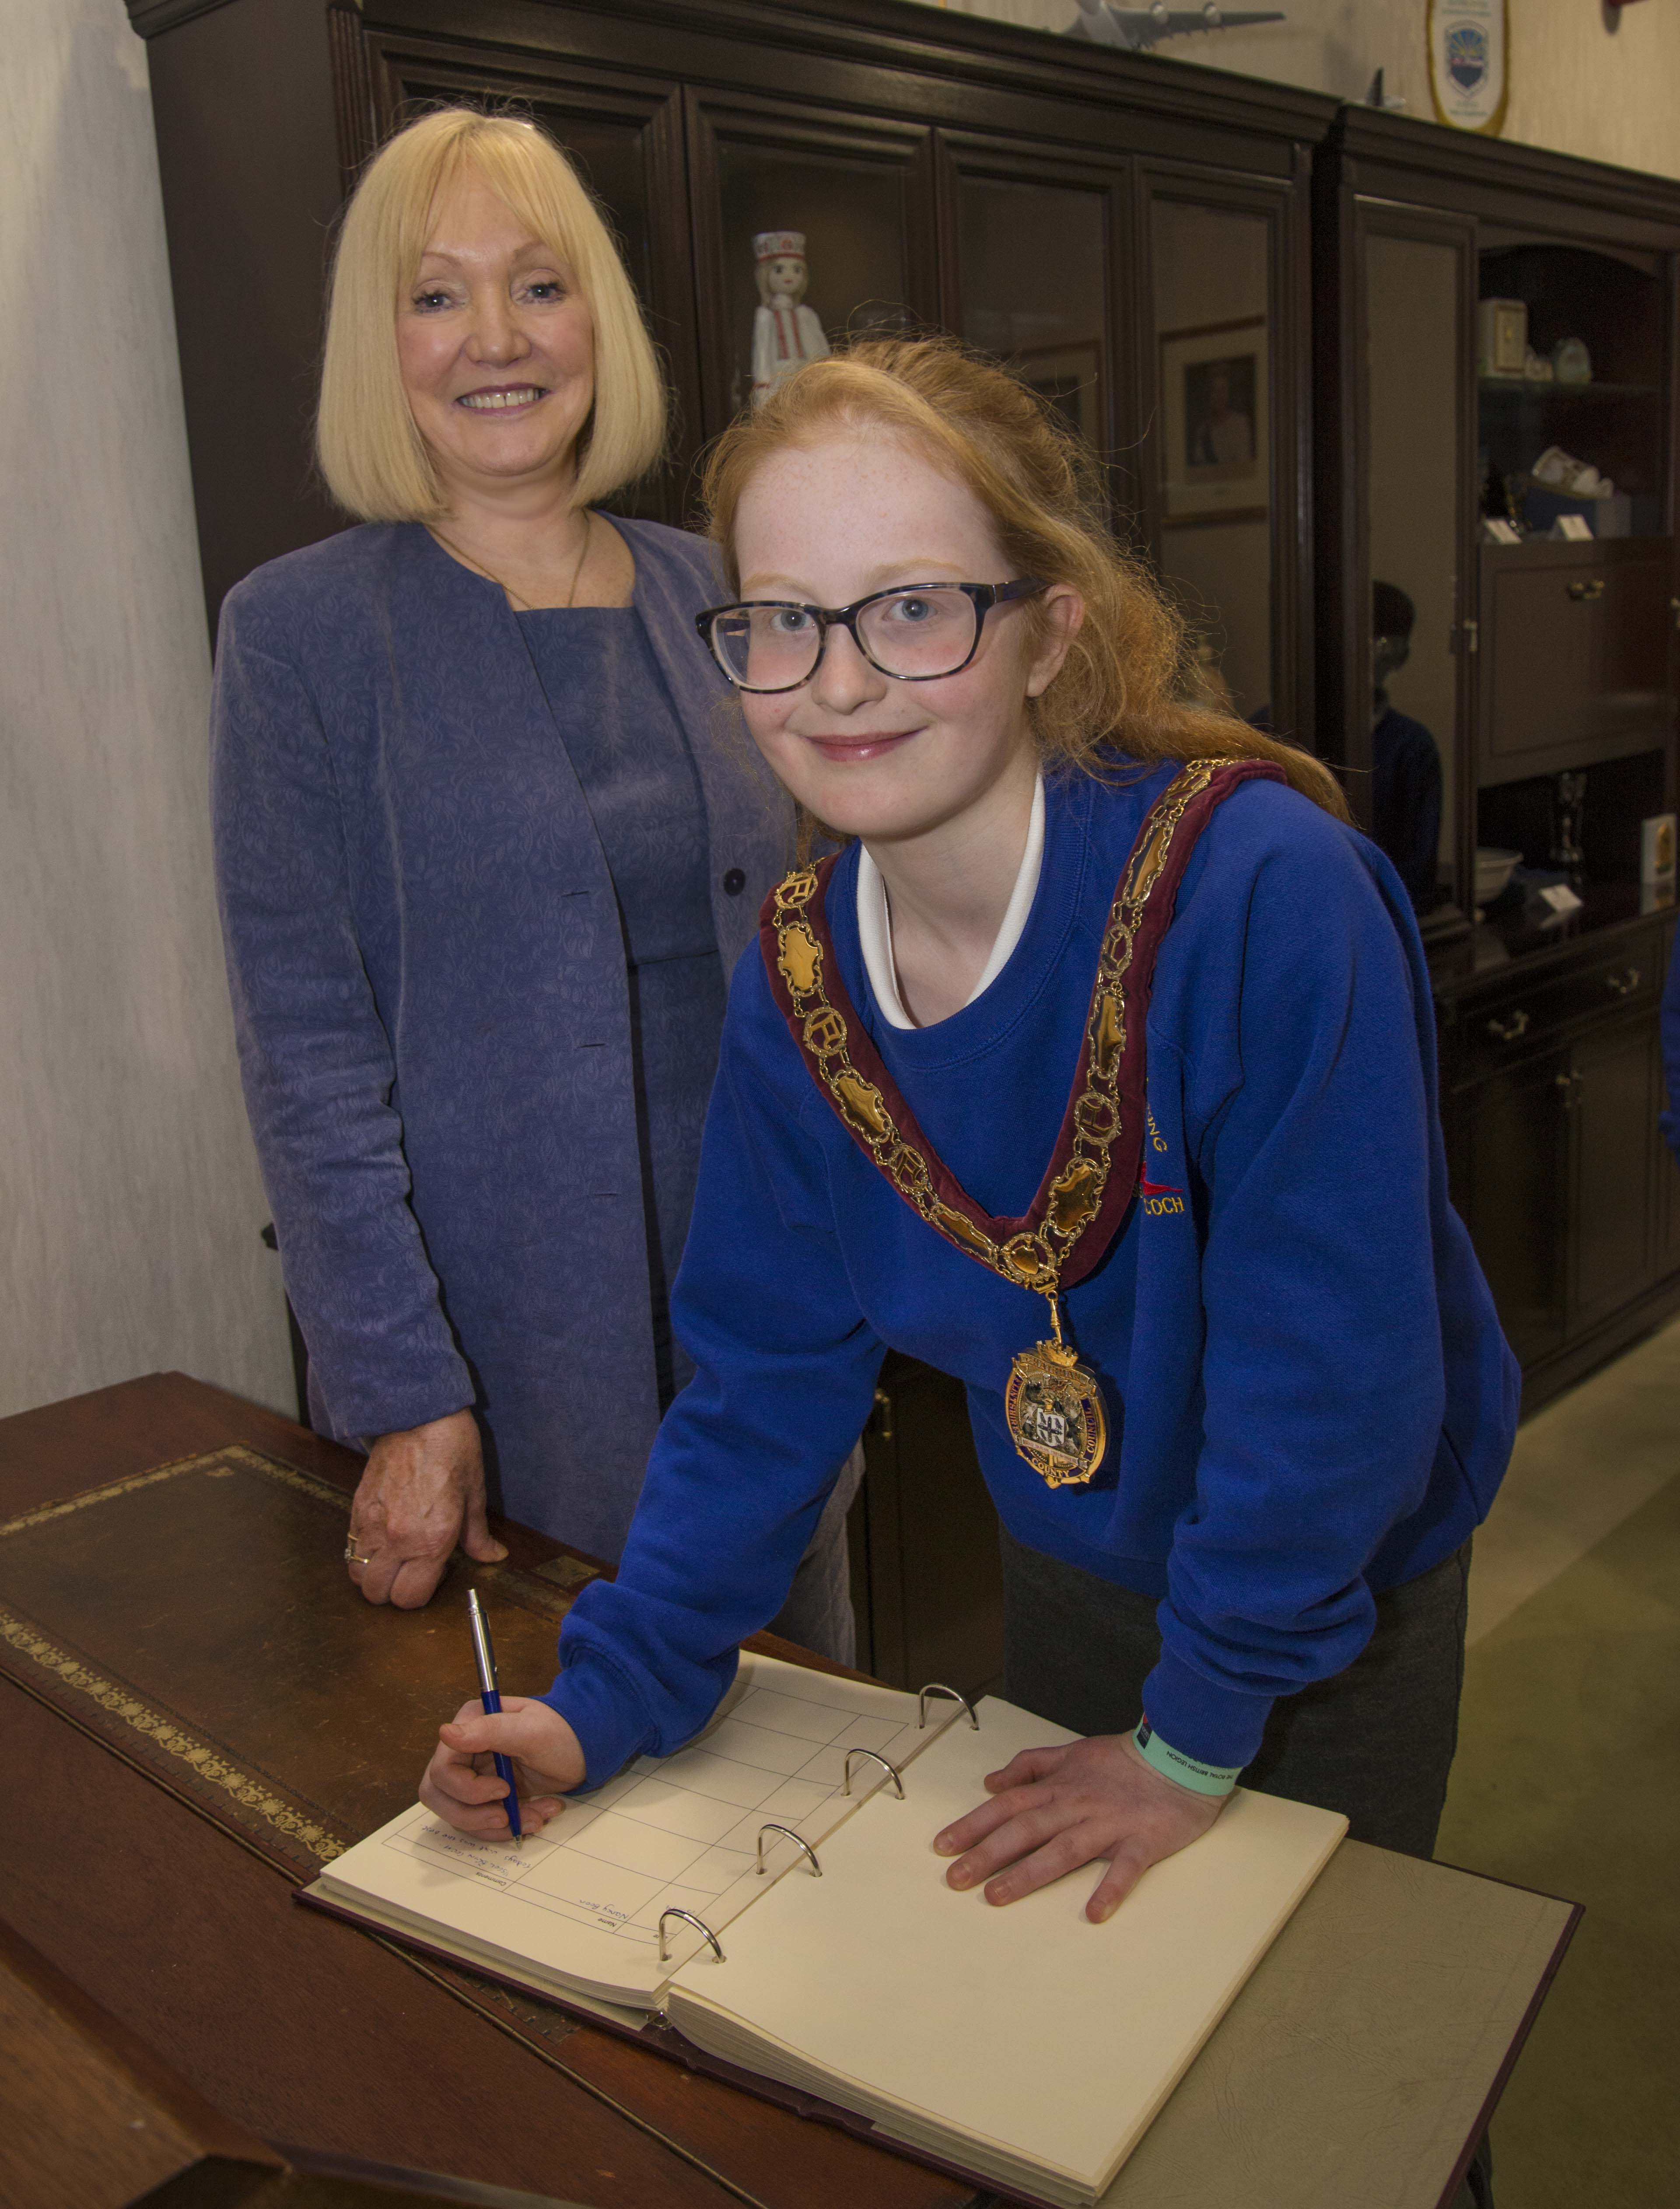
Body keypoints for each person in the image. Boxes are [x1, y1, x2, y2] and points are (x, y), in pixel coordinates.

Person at [419, 335, 1515, 1932]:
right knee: (1088, 2050)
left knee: (1326, 2077)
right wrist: (608, 1694)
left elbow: (1335, 1392)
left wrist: (1193, 1743)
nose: (840, 679)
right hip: (1080, 1551)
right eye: (783, 620)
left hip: (1329, 1587)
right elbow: (762, 1388)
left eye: (914, 606)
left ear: (1048, 630)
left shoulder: (1267, 897)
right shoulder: (795, 981)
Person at [212, 107, 859, 1654]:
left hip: (764, 1341)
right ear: (383, 344)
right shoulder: (297, 637)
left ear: (600, 320)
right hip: (500, 1373)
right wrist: (403, 1387)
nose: (495, 337)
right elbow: (305, 1054)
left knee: (803, 1795)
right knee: (564, 1819)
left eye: (539, 285)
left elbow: (825, 936)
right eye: (436, 295)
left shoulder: (725, 590)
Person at [1371, 581, 1445, 915]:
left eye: (1388, 647)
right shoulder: (1272, 726)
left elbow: (1419, 867)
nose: (1377, 656)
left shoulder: (1411, 745)